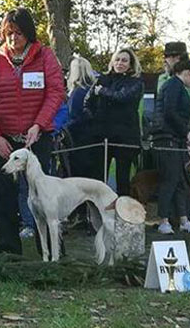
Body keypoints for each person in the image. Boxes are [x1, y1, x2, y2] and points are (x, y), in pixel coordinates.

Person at [0, 7, 66, 255]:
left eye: (19, 33)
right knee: (3, 194)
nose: (13, 38)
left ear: (29, 33)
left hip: (37, 138)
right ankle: (7, 251)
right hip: (4, 140)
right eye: (9, 33)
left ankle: (51, 250)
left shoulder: (45, 56)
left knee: (43, 195)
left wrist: (38, 124)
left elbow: (56, 92)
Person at [84, 48, 143, 196]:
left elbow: (123, 97)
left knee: (123, 180)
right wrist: (94, 119)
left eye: (124, 60)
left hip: (125, 137)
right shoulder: (102, 79)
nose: (120, 63)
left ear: (131, 64)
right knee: (98, 179)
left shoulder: (135, 82)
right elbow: (87, 102)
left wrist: (102, 91)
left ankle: (123, 215)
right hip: (102, 136)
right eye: (117, 59)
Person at [152, 58, 190, 234]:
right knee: (170, 179)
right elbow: (170, 111)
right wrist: (186, 131)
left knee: (180, 180)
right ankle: (163, 220)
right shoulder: (174, 86)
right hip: (167, 138)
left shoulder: (177, 86)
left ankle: (183, 218)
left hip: (176, 139)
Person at [64, 55, 99, 183]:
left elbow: (74, 115)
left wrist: (64, 128)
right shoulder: (92, 89)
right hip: (91, 138)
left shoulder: (78, 92)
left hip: (78, 139)